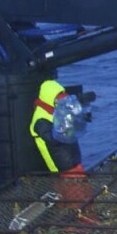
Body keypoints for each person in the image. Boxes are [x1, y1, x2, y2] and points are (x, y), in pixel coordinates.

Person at [29, 79, 96, 207]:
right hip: (63, 166)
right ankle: (80, 226)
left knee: (86, 197)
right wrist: (70, 123)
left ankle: (84, 221)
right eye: (58, 99)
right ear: (49, 98)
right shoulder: (40, 120)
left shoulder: (56, 110)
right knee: (78, 202)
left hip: (72, 162)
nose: (61, 102)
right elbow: (55, 140)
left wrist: (81, 112)